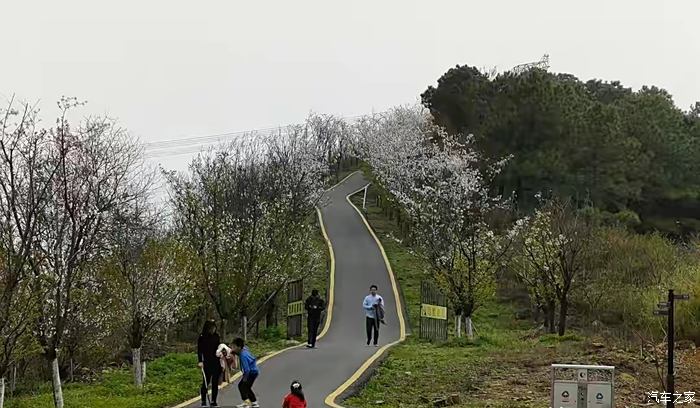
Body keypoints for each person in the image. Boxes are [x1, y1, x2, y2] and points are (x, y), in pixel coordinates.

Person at [197, 320, 222, 407]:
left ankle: (213, 401)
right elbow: (199, 350)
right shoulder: (202, 337)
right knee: (205, 382)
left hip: (216, 361)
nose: (213, 330)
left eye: (214, 328)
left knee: (215, 383)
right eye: (212, 328)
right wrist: (200, 361)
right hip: (207, 362)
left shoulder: (216, 336)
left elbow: (219, 347)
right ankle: (203, 401)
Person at [231, 337, 260, 408]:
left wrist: (245, 378)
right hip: (254, 371)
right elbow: (242, 350)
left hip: (251, 372)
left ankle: (246, 402)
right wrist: (234, 352)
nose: (233, 348)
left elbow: (247, 370)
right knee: (247, 387)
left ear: (239, 347)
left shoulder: (243, 355)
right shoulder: (244, 350)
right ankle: (254, 402)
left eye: (234, 347)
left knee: (242, 386)